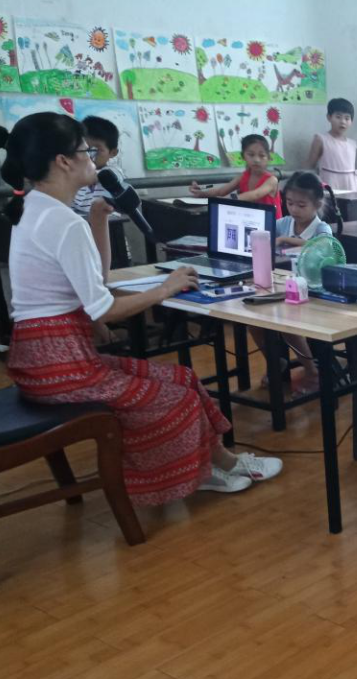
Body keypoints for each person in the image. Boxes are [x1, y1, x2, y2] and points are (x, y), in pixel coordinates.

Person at [3, 112, 282, 500]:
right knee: (175, 397)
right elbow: (104, 309)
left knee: (184, 378)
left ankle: (224, 463)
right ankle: (200, 472)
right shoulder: (62, 222)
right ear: (63, 161)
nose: (94, 159)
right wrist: (165, 289)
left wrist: (99, 218)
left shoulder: (35, 208)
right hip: (61, 365)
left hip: (41, 360)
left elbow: (95, 284)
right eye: (87, 151)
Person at [261, 172, 338, 391]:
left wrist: (285, 240)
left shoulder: (321, 228)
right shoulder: (284, 223)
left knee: (288, 323)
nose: (294, 209)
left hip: (314, 292)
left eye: (301, 205)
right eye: (289, 203)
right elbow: (263, 232)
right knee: (254, 322)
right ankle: (276, 361)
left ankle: (312, 371)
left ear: (317, 205)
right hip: (282, 287)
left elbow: (324, 246)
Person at [188, 134, 281, 216]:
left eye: (262, 155)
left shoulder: (272, 180)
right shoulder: (243, 177)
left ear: (268, 158)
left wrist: (227, 199)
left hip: (273, 225)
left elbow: (255, 194)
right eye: (251, 155)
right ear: (243, 156)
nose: (256, 160)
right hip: (251, 221)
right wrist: (201, 193)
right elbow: (221, 191)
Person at [306, 97, 357, 193]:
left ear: (351, 121)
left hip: (351, 185)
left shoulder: (353, 144)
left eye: (347, 118)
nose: (342, 121)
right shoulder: (320, 139)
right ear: (329, 117)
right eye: (338, 117)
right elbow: (309, 165)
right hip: (329, 184)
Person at [71, 116, 121, 217]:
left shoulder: (113, 171)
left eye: (96, 150)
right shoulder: (78, 171)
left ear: (113, 152)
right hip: (81, 217)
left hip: (108, 219)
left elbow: (102, 176)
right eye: (86, 149)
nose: (90, 155)